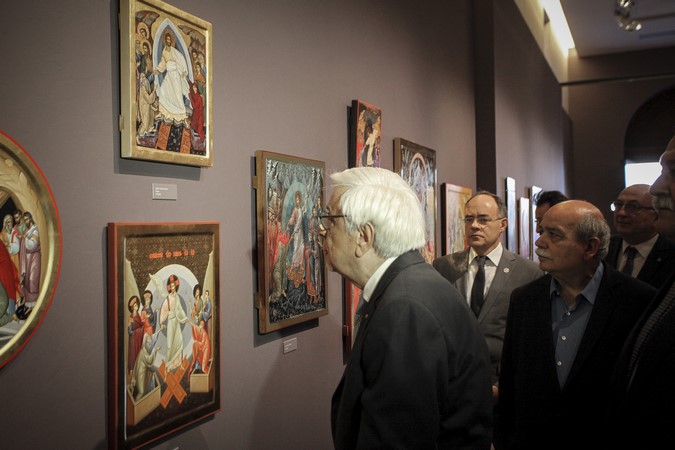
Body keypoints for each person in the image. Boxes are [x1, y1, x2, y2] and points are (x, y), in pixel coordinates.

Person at [324, 167, 493, 449]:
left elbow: (398, 438)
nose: (321, 230)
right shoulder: (414, 284)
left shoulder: (403, 309)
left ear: (364, 236)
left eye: (330, 220)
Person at [495, 200, 655, 449]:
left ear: (590, 247)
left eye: (554, 234)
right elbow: (510, 380)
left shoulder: (637, 301)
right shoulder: (524, 299)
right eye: (541, 231)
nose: (539, 242)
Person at [433, 191, 543, 389]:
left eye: (483, 220)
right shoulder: (444, 267)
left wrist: (504, 386)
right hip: (453, 382)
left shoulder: (528, 272)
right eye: (469, 219)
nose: (474, 226)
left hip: (502, 384)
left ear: (502, 224)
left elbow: (532, 340)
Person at [607, 137, 675, 448]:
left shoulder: (668, 256)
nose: (658, 187)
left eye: (673, 171)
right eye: (618, 205)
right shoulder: (603, 252)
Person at [605, 183, 675, 289]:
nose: (622, 213)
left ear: (656, 213)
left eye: (633, 207)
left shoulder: (671, 252)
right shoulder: (604, 246)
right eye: (618, 205)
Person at [154, 31, 190, 124]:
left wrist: (184, 70)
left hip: (175, 75)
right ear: (165, 41)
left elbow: (181, 58)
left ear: (171, 41)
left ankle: (182, 115)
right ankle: (163, 112)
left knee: (177, 95)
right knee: (163, 90)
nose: (168, 41)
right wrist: (158, 70)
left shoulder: (174, 51)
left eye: (170, 40)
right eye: (167, 39)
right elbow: (163, 63)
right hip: (169, 74)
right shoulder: (164, 51)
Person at [157, 274, 190, 371]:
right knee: (170, 344)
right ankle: (168, 365)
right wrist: (162, 322)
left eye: (173, 286)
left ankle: (179, 363)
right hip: (171, 322)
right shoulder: (168, 298)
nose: (172, 288)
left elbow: (180, 309)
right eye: (171, 286)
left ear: (175, 286)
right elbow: (163, 310)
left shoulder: (177, 297)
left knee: (179, 342)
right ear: (169, 288)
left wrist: (185, 318)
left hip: (177, 322)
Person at [19, 211, 40, 307]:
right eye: (24, 220)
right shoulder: (29, 231)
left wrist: (25, 238)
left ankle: (33, 304)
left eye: (27, 219)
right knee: (27, 281)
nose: (26, 221)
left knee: (32, 280)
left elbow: (31, 246)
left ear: (30, 219)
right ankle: (28, 304)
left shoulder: (35, 231)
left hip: (34, 258)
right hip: (28, 259)